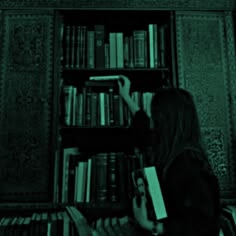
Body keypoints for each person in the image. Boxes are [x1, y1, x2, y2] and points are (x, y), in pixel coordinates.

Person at [118, 75, 220, 236]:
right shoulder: (173, 152)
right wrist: (126, 96)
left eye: (155, 117)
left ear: (165, 121)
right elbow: (144, 130)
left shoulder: (189, 165)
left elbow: (202, 227)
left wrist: (149, 225)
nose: (152, 122)